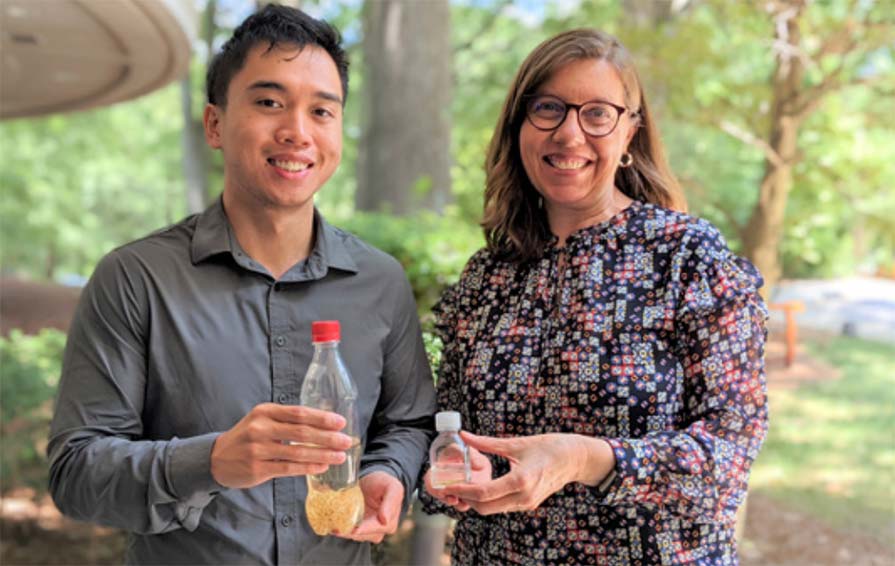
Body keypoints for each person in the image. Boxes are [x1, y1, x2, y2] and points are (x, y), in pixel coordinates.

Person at [47, 5, 435, 564]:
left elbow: (409, 421)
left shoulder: (380, 282)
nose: (297, 131)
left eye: (321, 110)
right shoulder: (135, 279)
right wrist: (211, 460)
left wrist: (387, 472)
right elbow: (75, 472)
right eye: (270, 102)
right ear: (214, 124)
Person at [420, 28, 768, 565]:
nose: (569, 133)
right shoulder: (486, 278)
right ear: (519, 125)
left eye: (598, 114)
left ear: (630, 133)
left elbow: (731, 457)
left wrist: (587, 458)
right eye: (549, 108)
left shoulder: (687, 258)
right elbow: (447, 437)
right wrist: (442, 471)